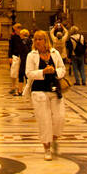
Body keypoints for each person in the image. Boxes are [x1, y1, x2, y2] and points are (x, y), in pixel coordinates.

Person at [25, 29, 66, 159]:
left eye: (40, 39)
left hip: (54, 89)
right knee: (44, 119)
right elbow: (29, 73)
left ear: (46, 40)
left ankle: (54, 138)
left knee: (60, 117)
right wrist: (43, 72)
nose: (37, 41)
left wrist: (54, 71)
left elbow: (62, 69)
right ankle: (46, 147)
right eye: (35, 39)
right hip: (38, 90)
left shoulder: (55, 53)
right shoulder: (31, 55)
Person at [8, 23, 24, 94]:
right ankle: (13, 86)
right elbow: (10, 47)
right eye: (17, 28)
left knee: (21, 72)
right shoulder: (13, 37)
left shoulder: (22, 36)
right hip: (15, 55)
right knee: (13, 72)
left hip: (22, 56)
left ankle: (21, 87)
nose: (18, 30)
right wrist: (9, 56)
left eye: (19, 28)